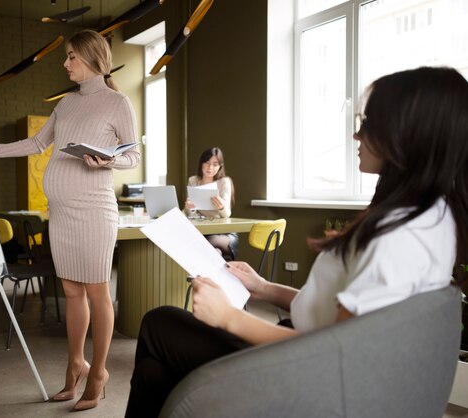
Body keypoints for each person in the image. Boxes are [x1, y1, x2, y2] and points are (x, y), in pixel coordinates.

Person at [124, 66, 468, 417]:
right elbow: (336, 316)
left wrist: (229, 317)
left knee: (159, 323)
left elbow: (336, 353)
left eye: (369, 122)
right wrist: (265, 288)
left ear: (407, 135)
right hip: (301, 349)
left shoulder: (400, 237)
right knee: (155, 372)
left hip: (301, 370)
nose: (356, 135)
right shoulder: (428, 215)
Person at [0, 29, 140, 411]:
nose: (65, 64)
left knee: (98, 292)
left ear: (93, 58)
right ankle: (74, 362)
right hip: (61, 214)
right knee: (71, 292)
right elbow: (36, 143)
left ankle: (98, 372)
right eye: (65, 57)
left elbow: (133, 157)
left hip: (95, 211)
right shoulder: (65, 105)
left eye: (71, 57)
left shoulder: (118, 102)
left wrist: (109, 160)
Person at [184, 147, 238, 259]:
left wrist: (221, 207)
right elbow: (190, 214)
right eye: (207, 163)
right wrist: (189, 208)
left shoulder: (224, 182)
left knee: (202, 243)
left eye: (215, 164)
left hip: (224, 235)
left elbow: (227, 214)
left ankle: (196, 274)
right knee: (215, 252)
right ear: (201, 164)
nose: (210, 168)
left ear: (220, 166)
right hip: (203, 231)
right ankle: (213, 275)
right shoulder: (193, 180)